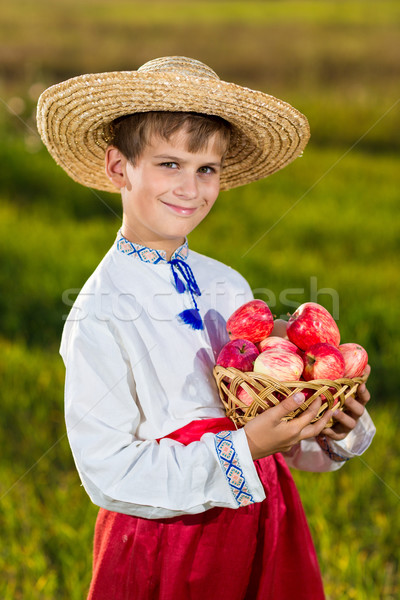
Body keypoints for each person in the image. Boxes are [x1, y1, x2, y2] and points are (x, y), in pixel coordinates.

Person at [37, 56, 375, 600]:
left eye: (206, 169)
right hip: (167, 541)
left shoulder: (228, 286)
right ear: (119, 167)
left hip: (264, 521)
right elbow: (109, 474)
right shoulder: (98, 313)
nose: (190, 189)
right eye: (169, 164)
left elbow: (265, 419)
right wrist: (244, 450)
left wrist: (325, 427)